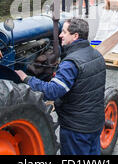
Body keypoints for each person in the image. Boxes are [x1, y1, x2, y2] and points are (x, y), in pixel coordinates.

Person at [15, 18, 106, 155]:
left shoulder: (71, 62)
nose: (60, 35)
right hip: (95, 123)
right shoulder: (97, 55)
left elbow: (52, 91)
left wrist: (26, 78)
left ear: (75, 36)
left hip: (76, 129)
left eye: (64, 32)